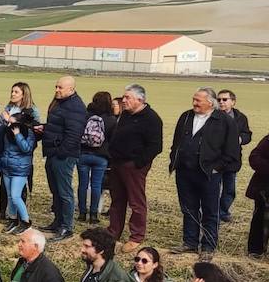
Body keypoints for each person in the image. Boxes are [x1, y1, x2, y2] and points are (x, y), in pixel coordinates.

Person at [168, 87, 240, 257]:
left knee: (210, 211)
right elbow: (176, 142)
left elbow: (232, 151)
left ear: (210, 102)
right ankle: (190, 242)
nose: (194, 103)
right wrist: (175, 159)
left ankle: (208, 246)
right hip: (184, 172)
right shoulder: (186, 117)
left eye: (198, 100)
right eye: (193, 99)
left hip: (209, 174)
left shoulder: (224, 121)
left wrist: (217, 169)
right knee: (188, 208)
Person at [107, 84, 164, 253]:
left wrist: (138, 163)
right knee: (117, 200)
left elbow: (155, 146)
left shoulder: (152, 119)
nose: (123, 101)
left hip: (134, 166)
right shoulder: (125, 115)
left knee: (136, 202)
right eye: (124, 97)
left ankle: (136, 236)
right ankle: (113, 232)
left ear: (140, 100)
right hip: (117, 163)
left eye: (127, 98)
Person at [39, 75, 84, 241]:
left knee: (64, 192)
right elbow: (58, 127)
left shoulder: (75, 106)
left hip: (63, 156)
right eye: (56, 87)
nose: (57, 90)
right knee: (55, 190)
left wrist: (61, 152)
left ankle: (67, 227)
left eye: (60, 88)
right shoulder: (61, 103)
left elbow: (74, 134)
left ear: (71, 89)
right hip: (53, 153)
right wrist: (43, 128)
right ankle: (58, 222)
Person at [0, 83, 39, 235]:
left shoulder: (29, 118)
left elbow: (28, 146)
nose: (12, 93)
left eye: (16, 91)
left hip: (20, 164)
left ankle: (26, 221)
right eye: (12, 91)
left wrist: (15, 129)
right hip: (7, 162)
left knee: (16, 195)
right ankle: (13, 219)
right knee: (10, 195)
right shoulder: (8, 110)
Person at [76, 91, 114, 224]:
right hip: (101, 156)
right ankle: (93, 214)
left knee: (83, 185)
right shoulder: (111, 119)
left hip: (84, 154)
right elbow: (112, 140)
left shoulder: (85, 116)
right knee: (97, 185)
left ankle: (81, 213)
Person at [217, 89, 253, 222]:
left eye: (224, 99)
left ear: (233, 102)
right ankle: (212, 213)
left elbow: (247, 135)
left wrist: (239, 139)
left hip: (232, 160)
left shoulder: (240, 118)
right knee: (212, 189)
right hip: (214, 159)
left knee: (229, 190)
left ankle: (223, 212)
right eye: (219, 99)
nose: (221, 102)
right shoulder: (211, 116)